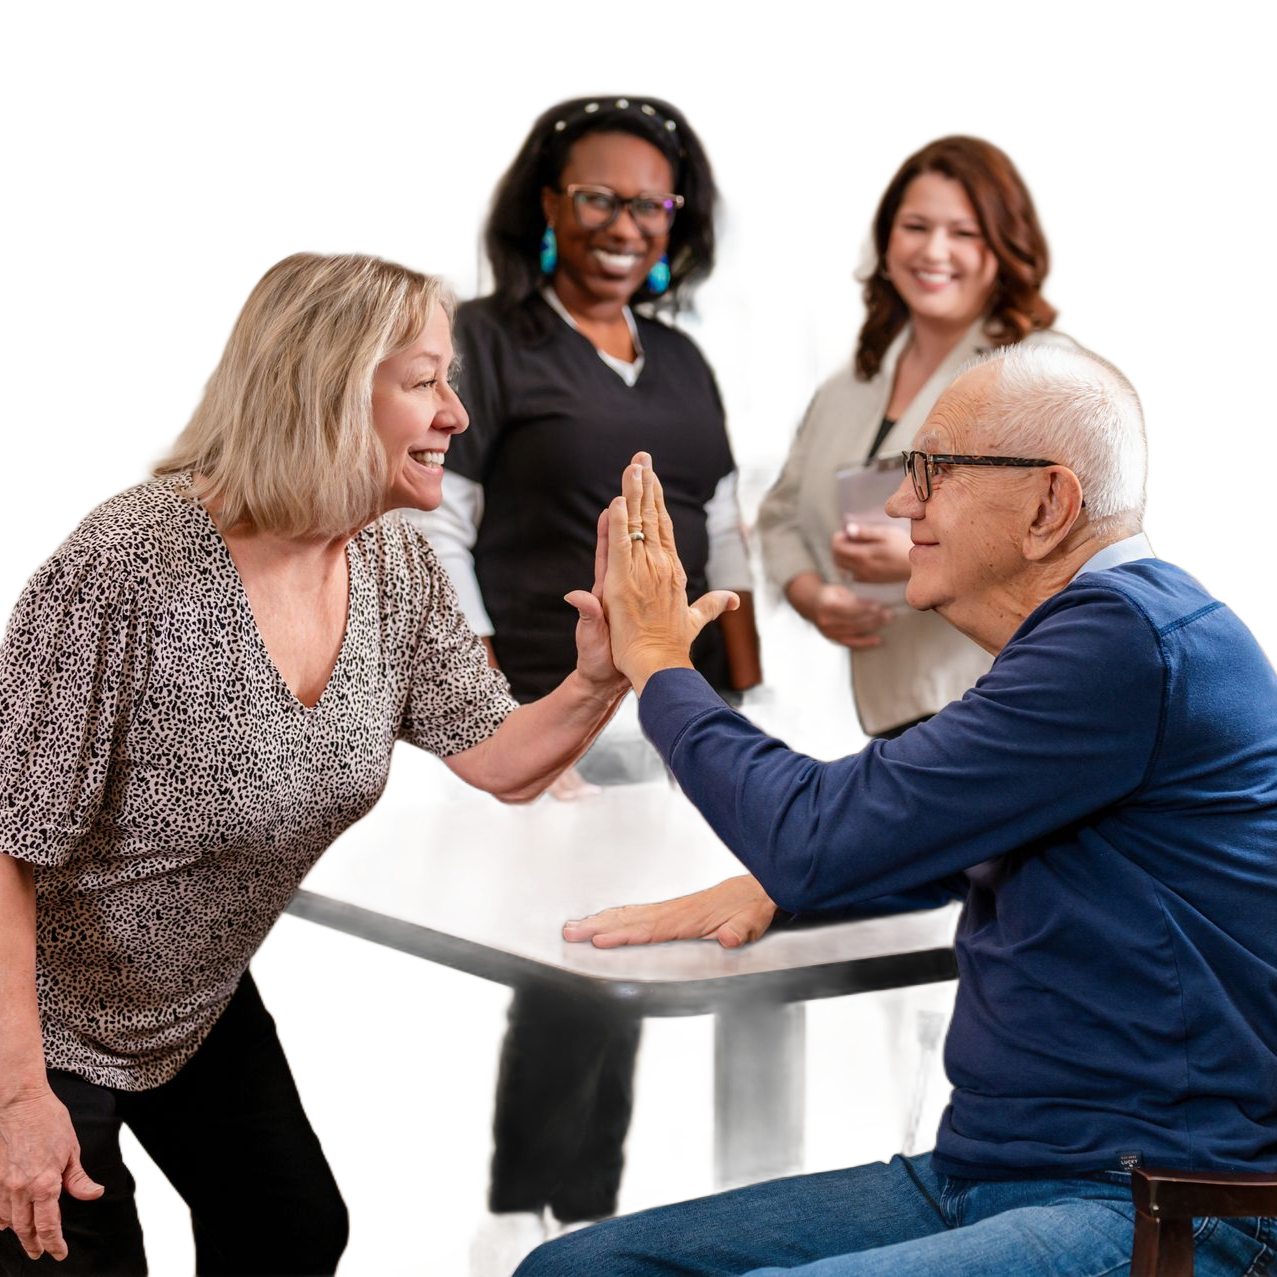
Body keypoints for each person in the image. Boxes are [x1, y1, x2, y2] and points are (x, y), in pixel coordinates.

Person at [516, 342, 1277, 1276]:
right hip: (983, 1172)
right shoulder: (1098, 635)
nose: (902, 503)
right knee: (573, 1270)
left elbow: (818, 832)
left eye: (934, 471)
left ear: (1049, 504)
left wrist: (657, 664)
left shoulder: (1125, 641)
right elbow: (934, 840)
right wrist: (787, 886)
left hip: (1150, 1207)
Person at [0, 249, 636, 1275]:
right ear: (329, 391)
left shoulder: (388, 561)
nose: (455, 415)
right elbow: (3, 841)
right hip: (31, 1020)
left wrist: (603, 675)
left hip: (187, 999)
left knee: (292, 1228)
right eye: (425, 382)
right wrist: (17, 1098)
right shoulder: (119, 569)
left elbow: (502, 759)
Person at [403, 90, 764, 1274]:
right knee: (561, 970)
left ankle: (591, 1215)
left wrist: (742, 703)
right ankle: (512, 1210)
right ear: (548, 205)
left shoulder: (677, 362)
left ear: (677, 221)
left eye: (648, 204)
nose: (624, 222)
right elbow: (437, 532)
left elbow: (718, 540)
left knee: (647, 966)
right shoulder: (490, 339)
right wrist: (484, 705)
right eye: (597, 197)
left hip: (673, 717)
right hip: (543, 713)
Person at [749, 130, 1077, 1141]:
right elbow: (780, 516)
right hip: (848, 719)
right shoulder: (854, 367)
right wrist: (805, 589)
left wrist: (922, 572)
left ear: (1006, 247)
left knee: (963, 981)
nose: (932, 250)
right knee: (852, 978)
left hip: (972, 715)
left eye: (962, 232)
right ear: (880, 239)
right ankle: (883, 1193)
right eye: (913, 226)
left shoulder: (1042, 376)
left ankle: (970, 1192)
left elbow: (1070, 546)